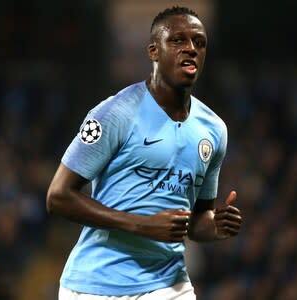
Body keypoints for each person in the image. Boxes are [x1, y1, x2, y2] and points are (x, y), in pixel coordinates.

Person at [46, 6, 242, 300]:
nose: (190, 49)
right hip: (94, 285)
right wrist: (142, 224)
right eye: (178, 40)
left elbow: (198, 221)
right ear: (154, 51)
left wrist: (215, 226)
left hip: (169, 285)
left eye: (199, 43)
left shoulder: (213, 130)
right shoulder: (114, 113)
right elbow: (58, 197)